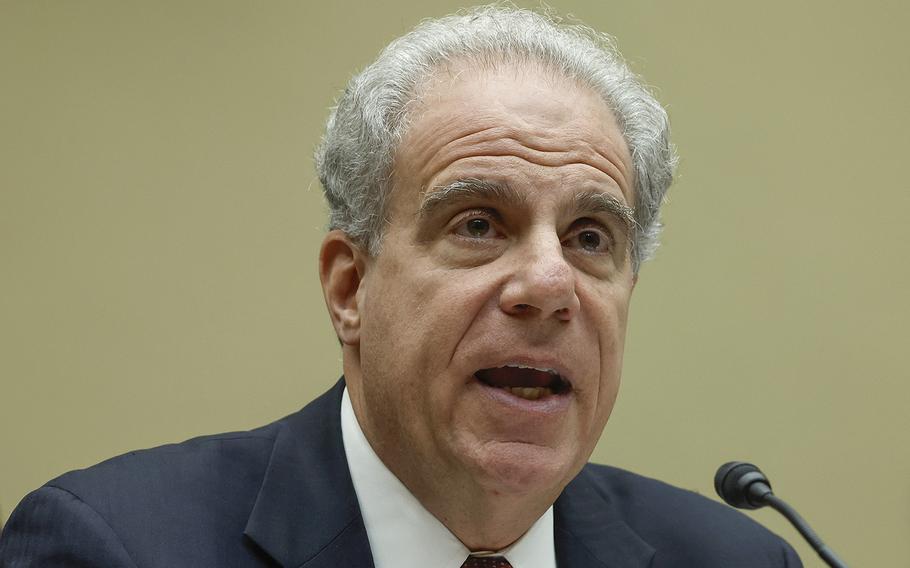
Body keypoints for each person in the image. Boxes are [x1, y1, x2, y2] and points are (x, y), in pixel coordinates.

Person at [0, 6, 801, 567]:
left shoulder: (739, 558)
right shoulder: (115, 547)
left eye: (591, 238)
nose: (549, 282)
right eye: (479, 224)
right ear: (351, 287)